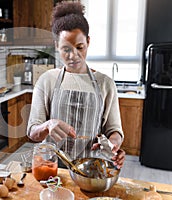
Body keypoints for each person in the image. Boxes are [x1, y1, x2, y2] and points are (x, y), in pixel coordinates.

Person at [27, 1, 125, 169]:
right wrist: (48, 125)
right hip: (52, 169)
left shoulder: (105, 84)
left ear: (88, 41)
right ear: (57, 46)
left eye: (80, 47)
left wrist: (113, 145)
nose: (73, 56)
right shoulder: (47, 81)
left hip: (91, 170)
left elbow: (114, 131)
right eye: (66, 49)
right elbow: (32, 132)